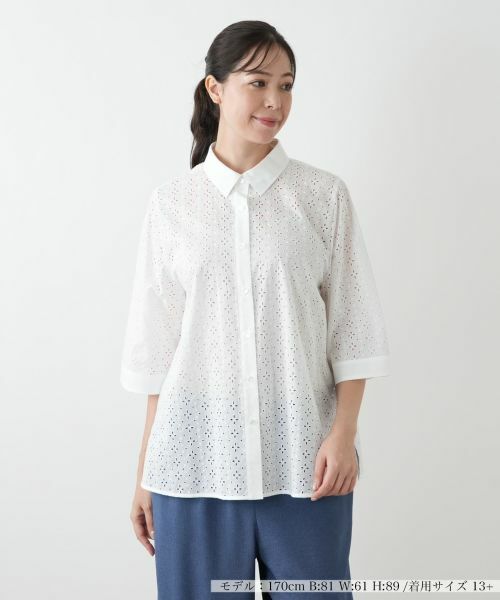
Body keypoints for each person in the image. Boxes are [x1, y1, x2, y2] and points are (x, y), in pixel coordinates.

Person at [120, 19, 390, 600]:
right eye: (258, 82)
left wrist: (343, 435)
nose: (275, 101)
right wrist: (146, 475)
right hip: (193, 465)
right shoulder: (171, 205)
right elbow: (159, 357)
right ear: (216, 89)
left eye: (286, 85)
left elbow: (354, 328)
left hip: (307, 463)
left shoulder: (322, 196)